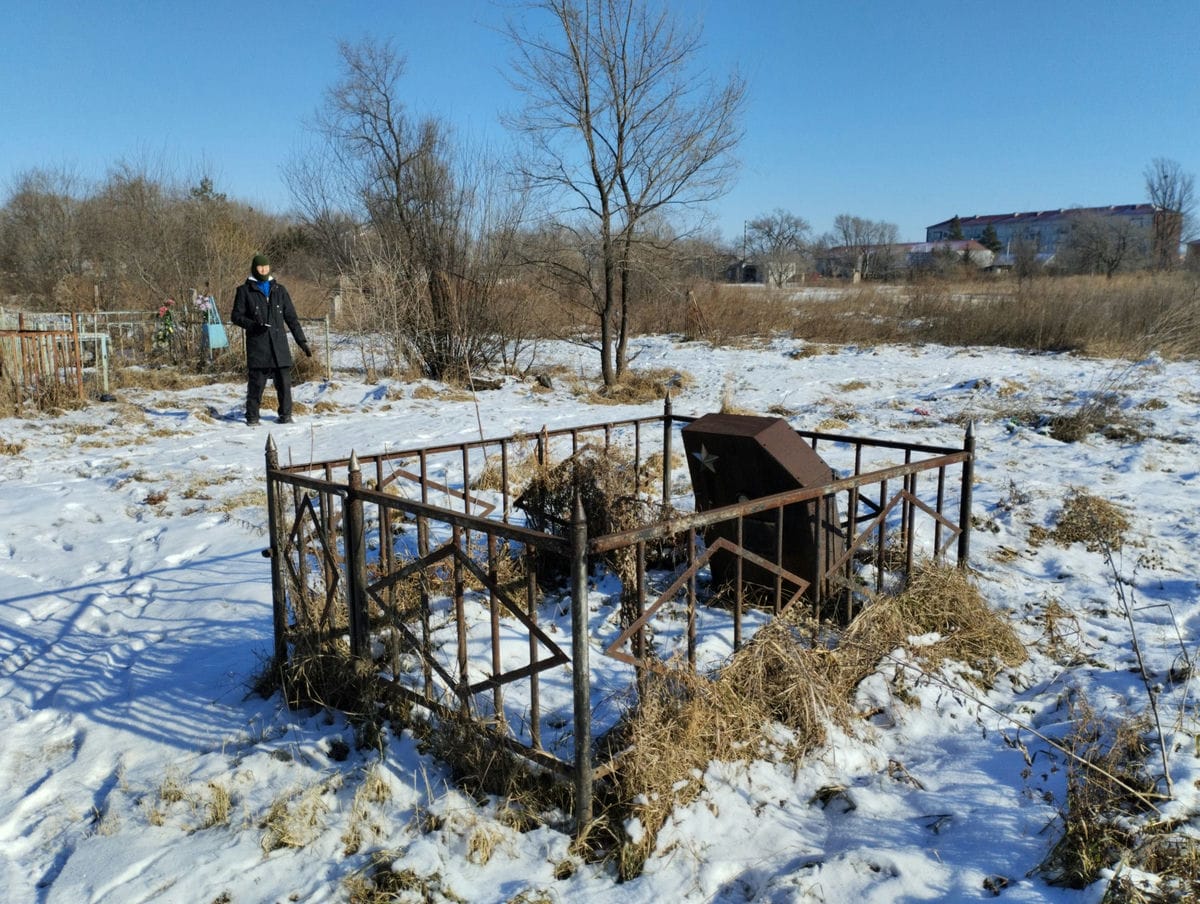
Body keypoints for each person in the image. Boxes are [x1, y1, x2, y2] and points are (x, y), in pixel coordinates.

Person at [230, 253, 311, 425]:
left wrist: (302, 341)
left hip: (279, 346)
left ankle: (286, 415)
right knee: (256, 385)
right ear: (254, 268)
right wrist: (253, 325)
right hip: (258, 346)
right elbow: (236, 316)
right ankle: (252, 417)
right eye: (260, 267)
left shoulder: (279, 290)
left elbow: (291, 319)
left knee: (284, 385)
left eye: (266, 266)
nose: (263, 270)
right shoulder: (244, 291)